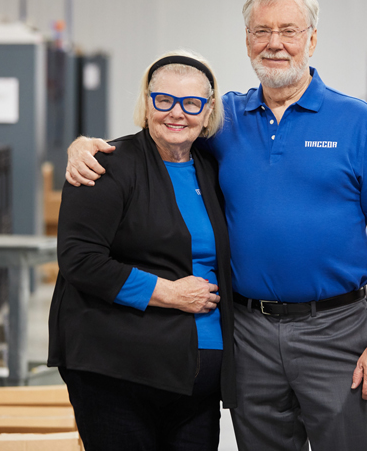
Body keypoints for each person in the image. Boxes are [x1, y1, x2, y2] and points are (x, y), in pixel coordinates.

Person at [65, 0, 367, 451]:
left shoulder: (357, 121)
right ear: (247, 41)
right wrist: (84, 146)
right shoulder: (223, 120)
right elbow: (164, 133)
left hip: (335, 330)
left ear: (312, 39)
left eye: (289, 31)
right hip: (249, 333)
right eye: (261, 31)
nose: (274, 43)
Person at [48, 51, 236, 451]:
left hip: (196, 388)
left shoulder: (213, 169)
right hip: (117, 375)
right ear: (147, 103)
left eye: (191, 103)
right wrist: (171, 293)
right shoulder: (105, 167)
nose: (176, 113)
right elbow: (81, 260)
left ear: (208, 112)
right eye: (164, 100)